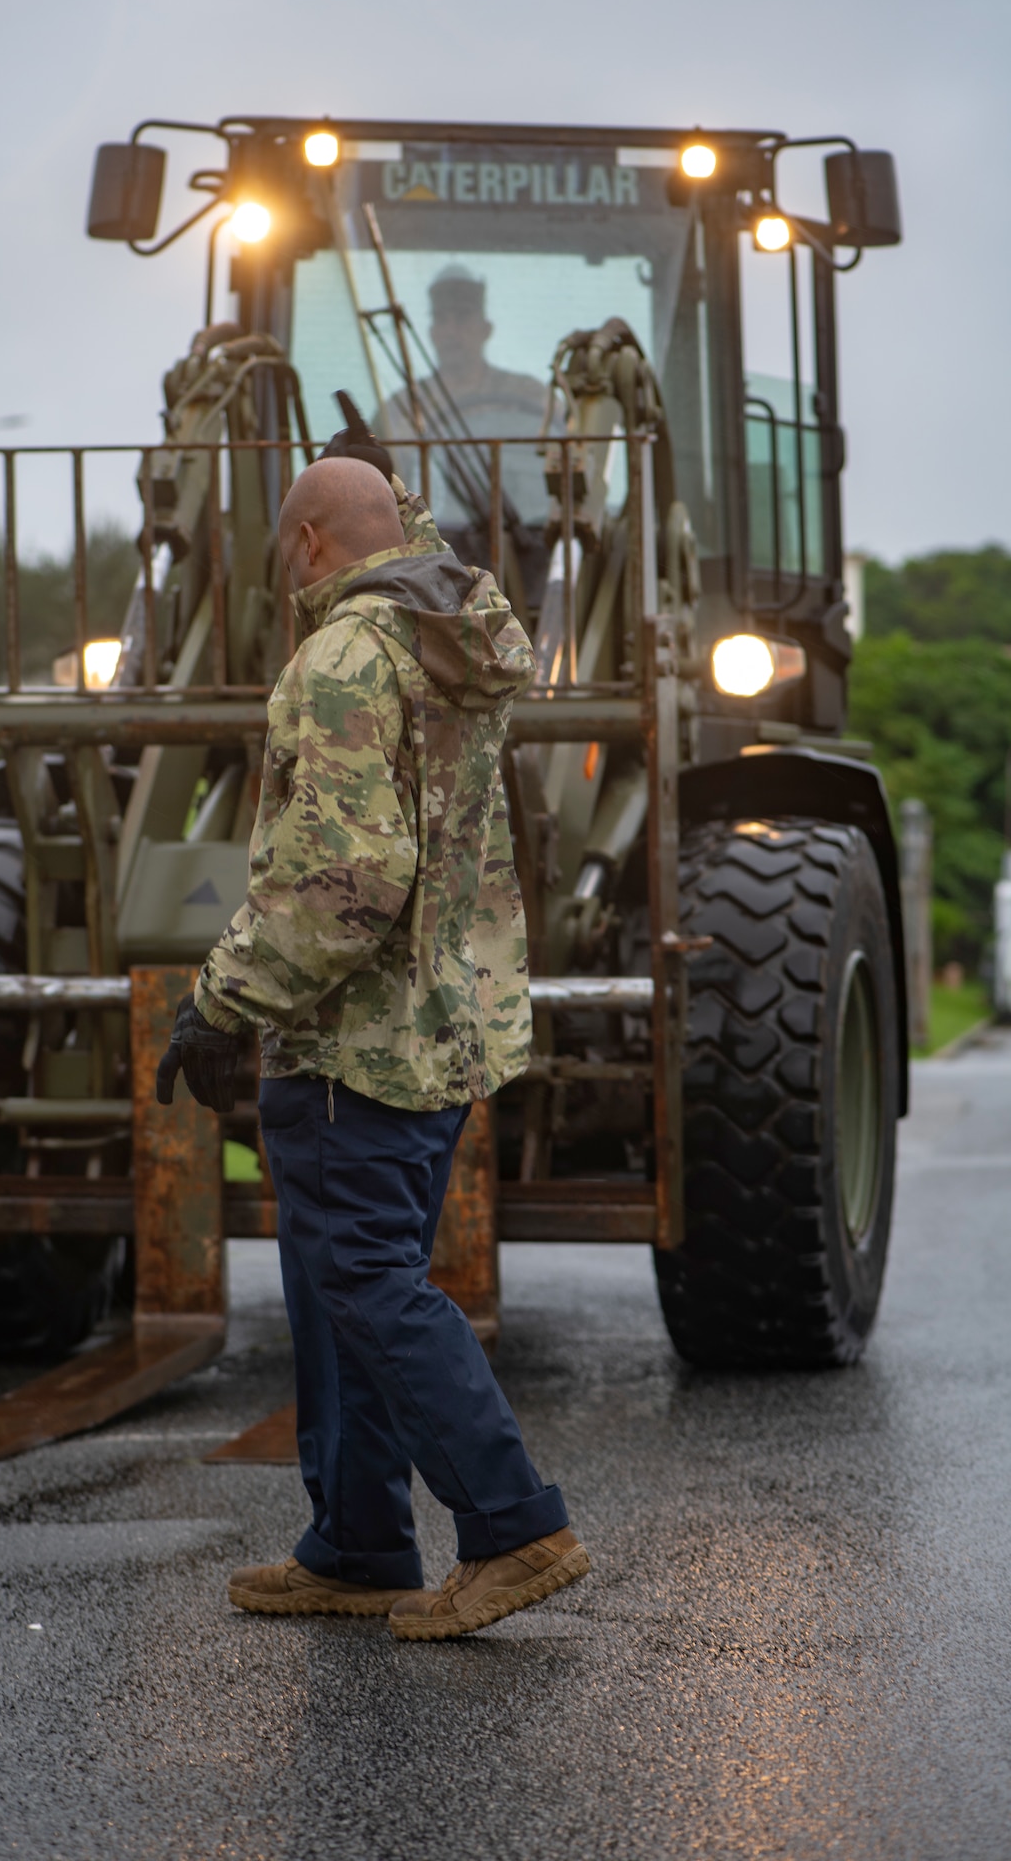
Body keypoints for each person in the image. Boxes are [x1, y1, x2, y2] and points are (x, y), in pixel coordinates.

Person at [156, 427, 589, 1641]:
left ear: (306, 540)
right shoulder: (451, 642)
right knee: (333, 1281)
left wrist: (221, 1001)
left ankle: (515, 1525)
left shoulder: (343, 657)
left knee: (366, 1281)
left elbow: (346, 877)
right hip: (442, 1023)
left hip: (356, 1042)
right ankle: (357, 1542)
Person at [377, 264, 553, 588]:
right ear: (431, 331)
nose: (451, 330)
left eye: (462, 318)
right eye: (441, 320)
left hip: (529, 554)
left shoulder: (529, 398)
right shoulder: (401, 410)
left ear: (485, 328)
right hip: (424, 565)